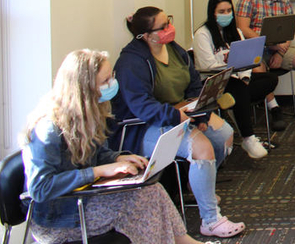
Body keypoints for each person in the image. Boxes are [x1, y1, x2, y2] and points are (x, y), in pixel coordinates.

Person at [22, 48, 218, 244]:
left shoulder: (87, 114)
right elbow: (40, 188)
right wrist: (99, 170)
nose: (112, 84)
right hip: (59, 220)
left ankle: (185, 241)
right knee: (139, 205)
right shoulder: (48, 129)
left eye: (111, 77)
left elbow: (96, 153)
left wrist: (116, 158)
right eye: (105, 81)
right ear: (84, 88)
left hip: (82, 201)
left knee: (152, 190)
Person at [112, 7, 245, 238]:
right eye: (163, 26)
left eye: (168, 22)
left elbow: (193, 85)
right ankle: (211, 221)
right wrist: (180, 117)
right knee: (202, 147)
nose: (169, 28)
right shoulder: (130, 62)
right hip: (144, 126)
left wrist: (201, 113)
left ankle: (200, 187)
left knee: (224, 134)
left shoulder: (174, 49)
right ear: (146, 35)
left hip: (182, 114)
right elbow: (143, 107)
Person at [194, 0, 283, 159]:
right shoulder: (202, 34)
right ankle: (248, 137)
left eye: (229, 10)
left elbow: (246, 59)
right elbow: (209, 66)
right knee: (239, 89)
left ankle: (233, 102)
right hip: (214, 80)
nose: (226, 14)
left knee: (270, 79)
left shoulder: (235, 32)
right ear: (212, 13)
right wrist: (233, 69)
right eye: (221, 11)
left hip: (236, 78)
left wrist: (245, 76)